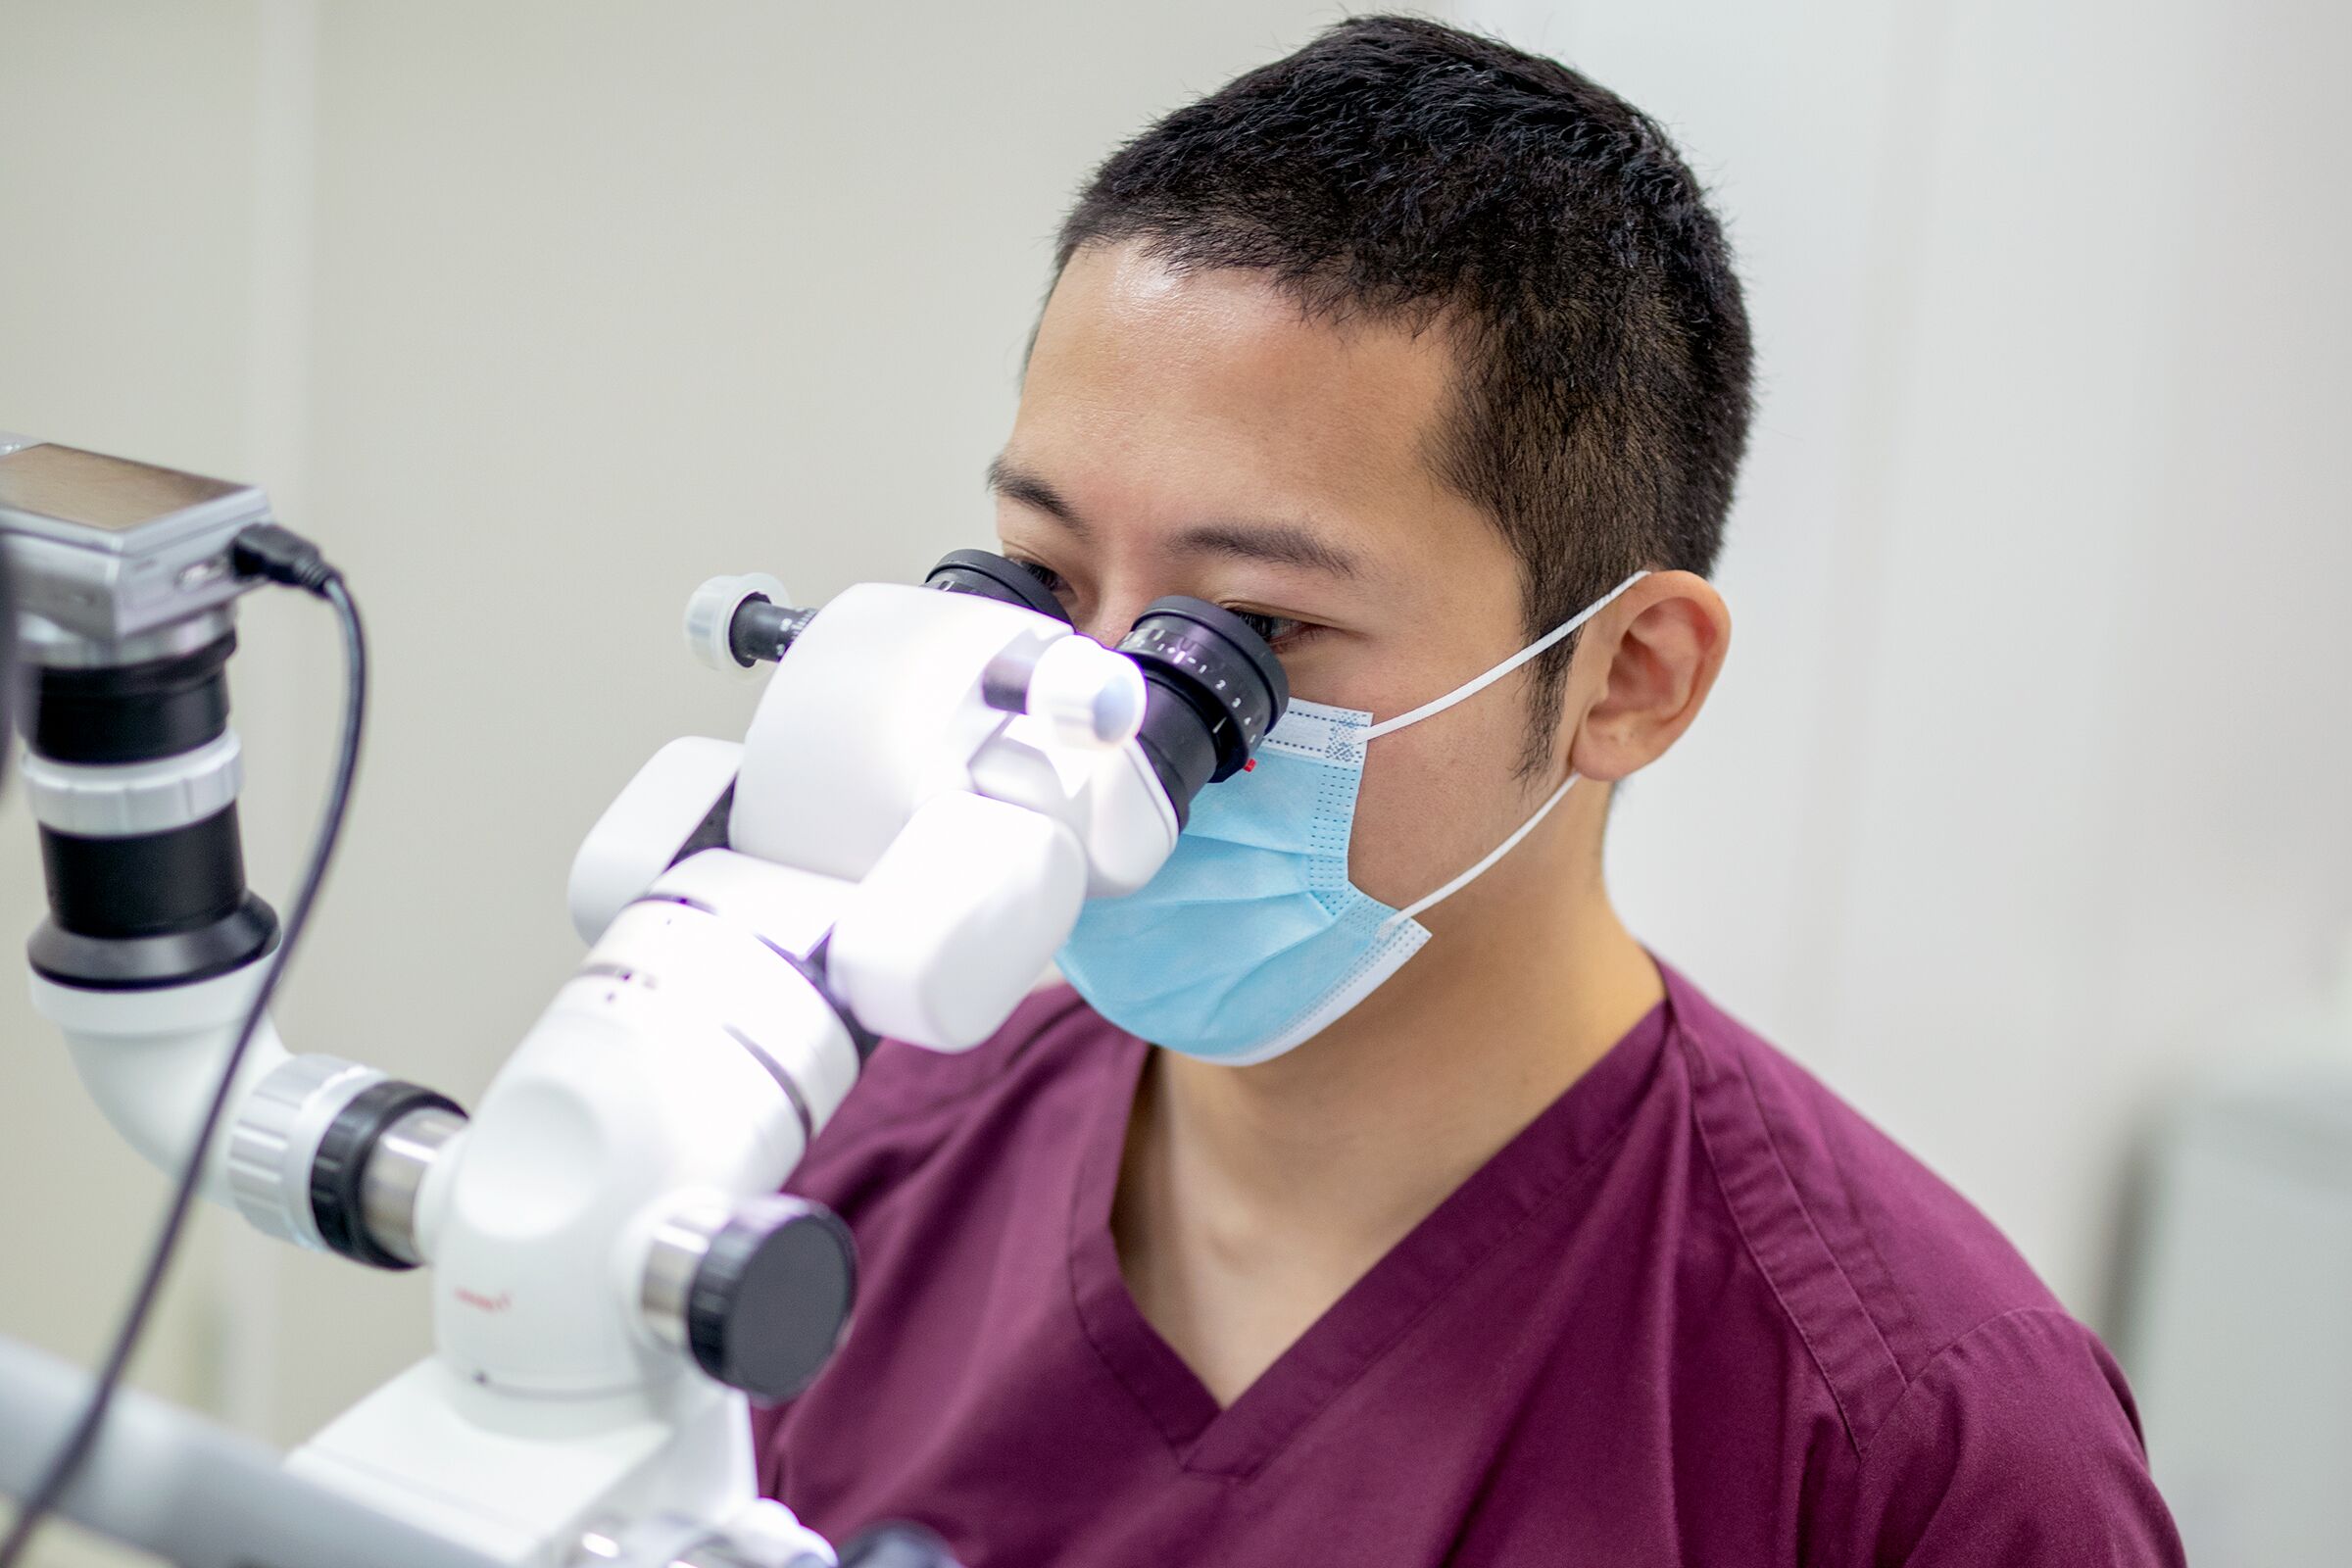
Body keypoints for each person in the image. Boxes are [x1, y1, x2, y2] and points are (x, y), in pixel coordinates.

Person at [755, 16, 2183, 1565]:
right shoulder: (844, 1169)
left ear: (1631, 677)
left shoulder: (1915, 1450)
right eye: (1041, 577)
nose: (1089, 709)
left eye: (1251, 632)